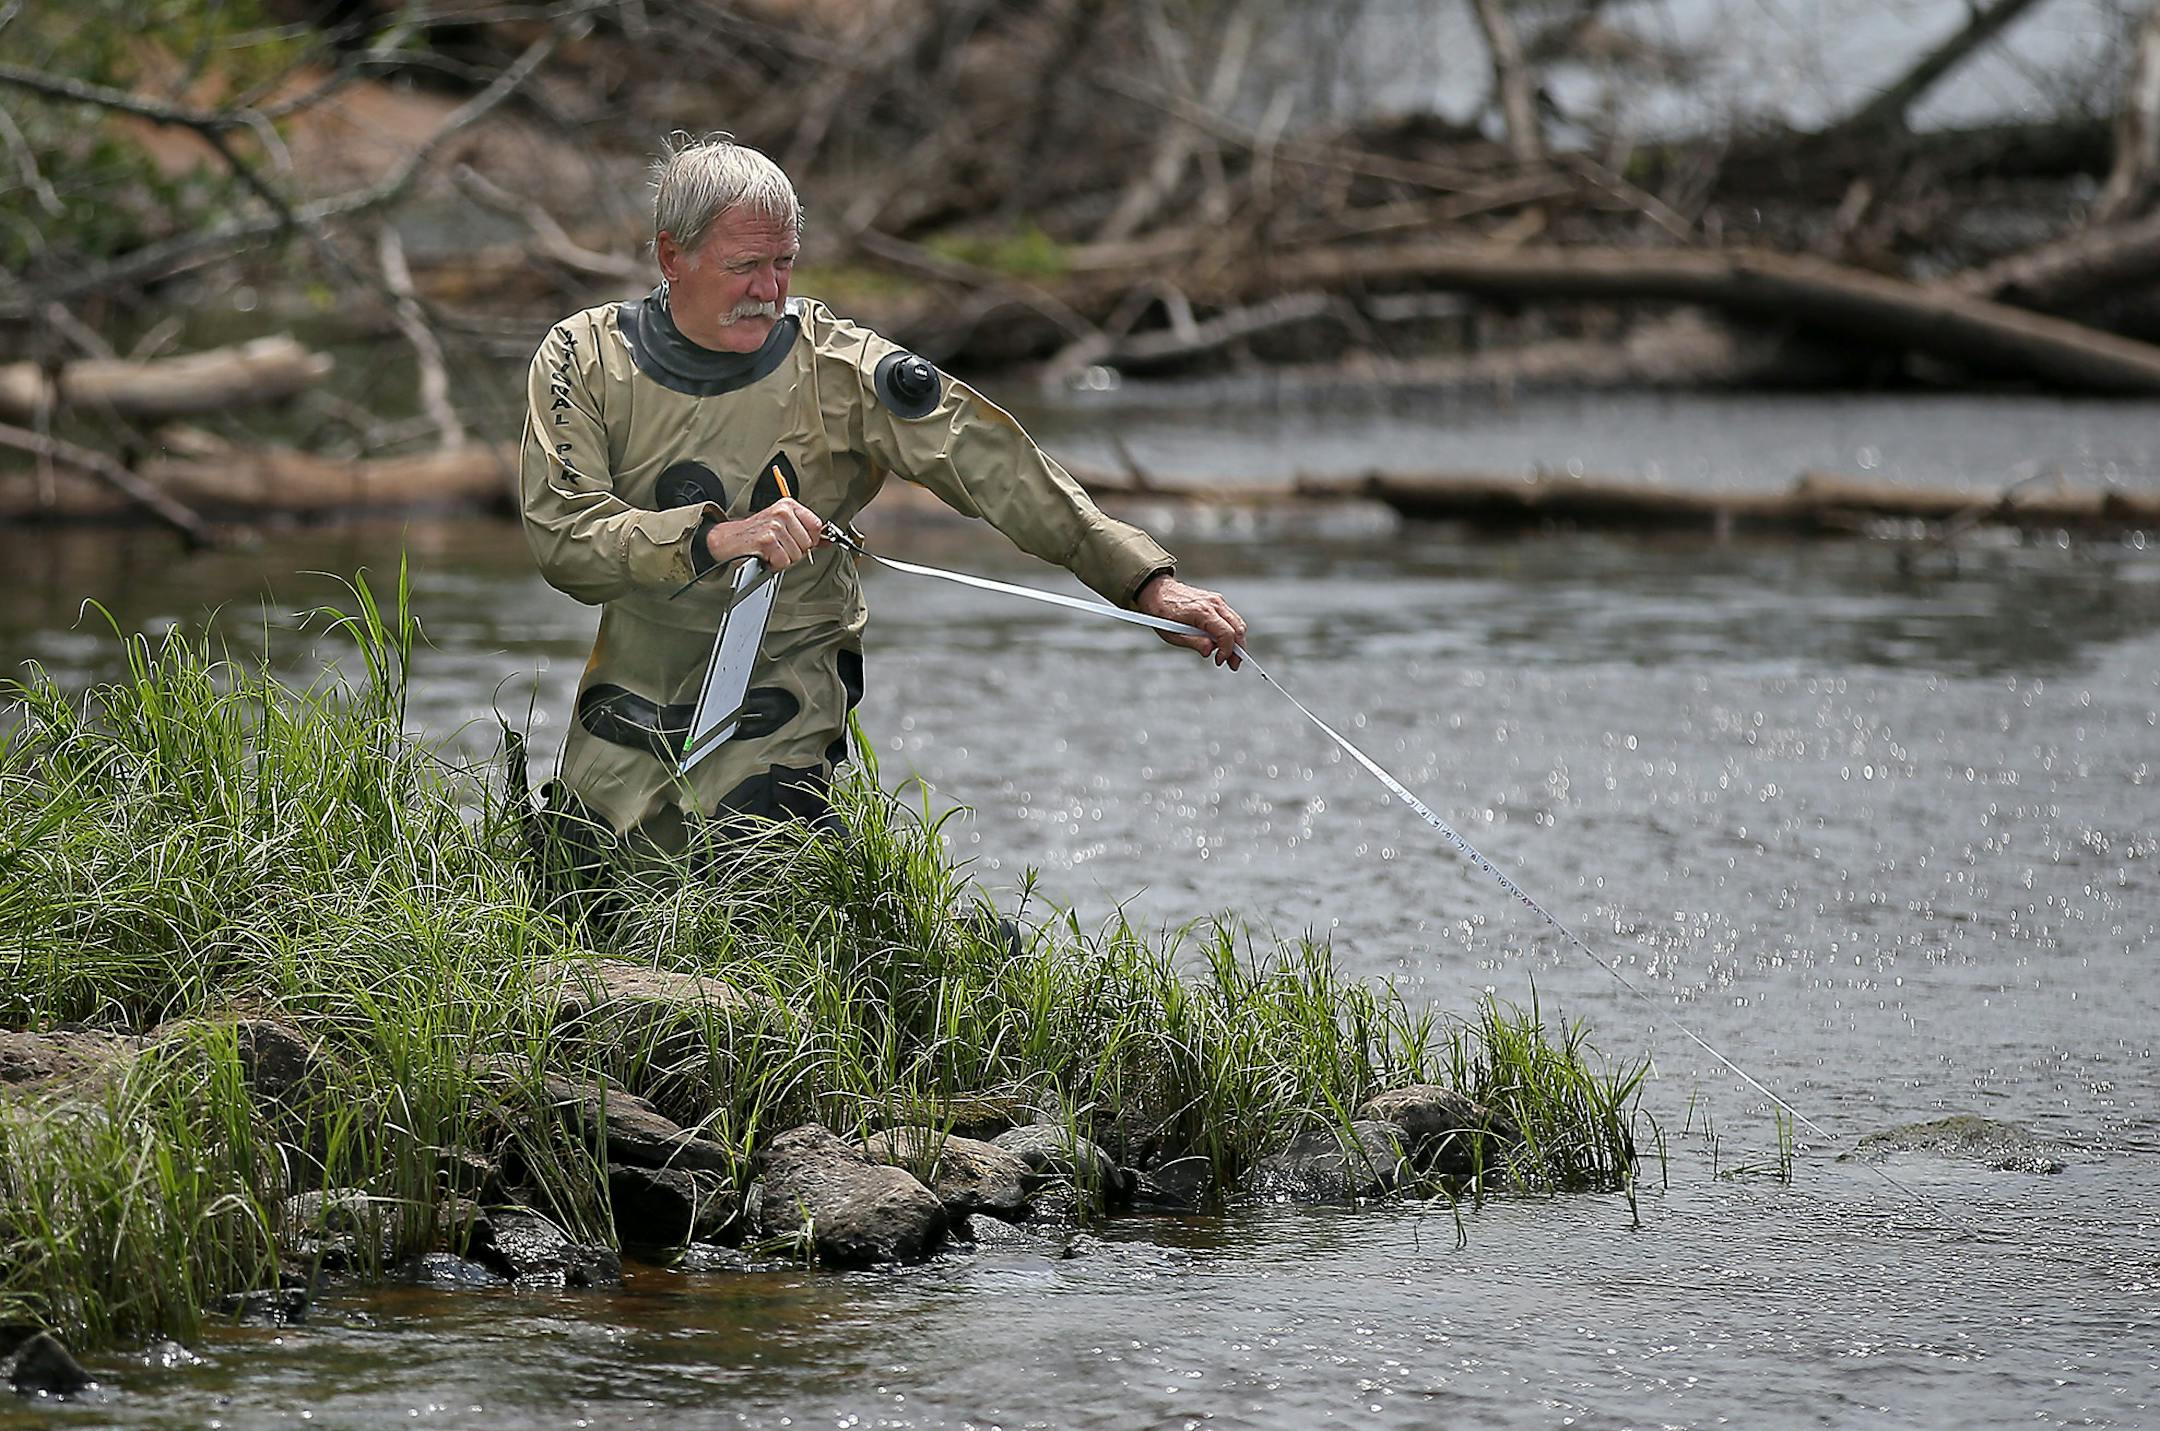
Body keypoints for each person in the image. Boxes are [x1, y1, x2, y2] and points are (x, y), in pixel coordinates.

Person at [518, 133, 1247, 858]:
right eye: (743, 266)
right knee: (590, 894)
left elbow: (993, 463)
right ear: (671, 256)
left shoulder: (837, 368)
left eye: (784, 264)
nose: (768, 292)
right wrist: (713, 540)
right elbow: (565, 541)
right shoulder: (583, 360)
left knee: (755, 876)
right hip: (632, 687)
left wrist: (1143, 580)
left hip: (784, 684)